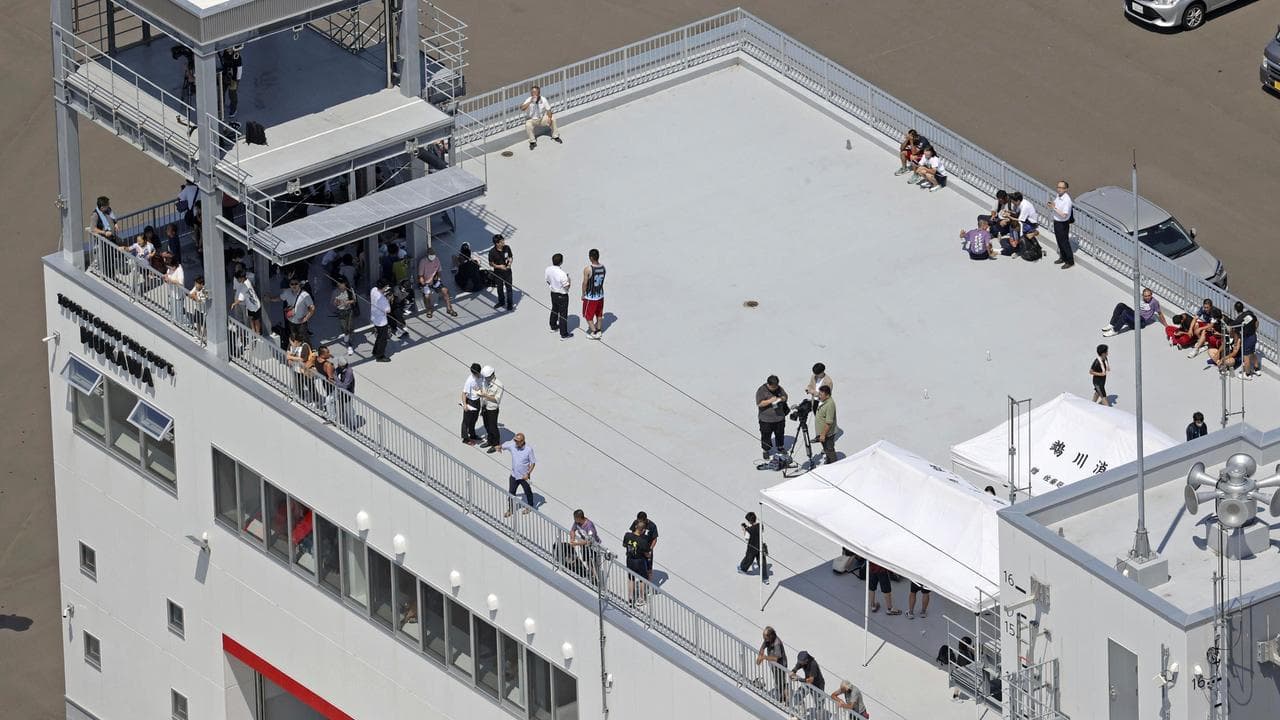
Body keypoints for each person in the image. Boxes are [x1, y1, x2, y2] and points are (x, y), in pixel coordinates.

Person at [1102, 287, 1168, 336]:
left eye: (1149, 295)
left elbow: (1160, 313)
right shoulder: (1141, 299)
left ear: (1151, 295)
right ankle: (1112, 324)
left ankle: (1115, 330)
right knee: (1120, 305)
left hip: (1141, 322)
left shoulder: (1154, 302)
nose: (1147, 297)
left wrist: (1166, 325)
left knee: (1125, 313)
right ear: (1143, 296)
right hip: (1136, 316)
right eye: (1145, 296)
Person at [499, 432, 537, 517]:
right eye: (515, 440)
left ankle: (530, 506)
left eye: (518, 441)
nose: (516, 442)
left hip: (524, 476)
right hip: (514, 475)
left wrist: (528, 473)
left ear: (522, 441)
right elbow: (504, 446)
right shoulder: (513, 445)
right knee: (511, 493)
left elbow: (533, 463)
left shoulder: (528, 449)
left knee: (527, 492)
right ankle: (511, 509)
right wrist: (499, 447)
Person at [417, 247, 458, 319]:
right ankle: (429, 310)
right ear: (427, 254)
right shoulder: (423, 262)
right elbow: (420, 276)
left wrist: (438, 280)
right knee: (427, 295)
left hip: (435, 281)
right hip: (425, 282)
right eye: (431, 254)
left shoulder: (437, 259)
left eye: (433, 254)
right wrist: (424, 285)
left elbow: (439, 271)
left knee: (445, 290)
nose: (432, 256)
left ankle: (449, 308)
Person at [756, 375, 788, 460]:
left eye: (776, 386)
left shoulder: (779, 388)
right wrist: (770, 401)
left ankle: (780, 447)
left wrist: (781, 399)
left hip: (779, 418)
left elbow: (785, 396)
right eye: (773, 387)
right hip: (766, 419)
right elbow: (759, 403)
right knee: (766, 435)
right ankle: (766, 450)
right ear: (768, 384)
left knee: (780, 433)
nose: (775, 388)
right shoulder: (761, 390)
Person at [521, 85, 562, 150]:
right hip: (532, 119)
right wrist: (530, 102)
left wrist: (549, 118)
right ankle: (532, 142)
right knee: (528, 125)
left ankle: (555, 136)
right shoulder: (529, 99)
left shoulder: (543, 99)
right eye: (532, 92)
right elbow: (522, 108)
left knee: (553, 119)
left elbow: (548, 110)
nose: (533, 94)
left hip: (542, 119)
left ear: (538, 93)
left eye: (535, 92)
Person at [622, 519, 652, 606]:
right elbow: (647, 554)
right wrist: (649, 556)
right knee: (642, 579)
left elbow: (624, 545)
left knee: (631, 579)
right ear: (643, 530)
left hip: (630, 560)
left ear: (635, 527)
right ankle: (641, 598)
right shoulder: (643, 541)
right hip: (639, 561)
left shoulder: (627, 535)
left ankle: (630, 599)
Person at [1047, 180, 1075, 268]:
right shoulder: (1058, 196)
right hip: (1057, 222)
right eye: (1058, 187)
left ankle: (1070, 261)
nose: (1059, 189)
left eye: (1061, 188)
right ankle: (1063, 257)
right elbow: (1056, 204)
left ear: (1066, 189)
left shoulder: (1067, 200)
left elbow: (1064, 214)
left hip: (1062, 224)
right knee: (1059, 241)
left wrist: (1054, 208)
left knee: (1064, 242)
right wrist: (1052, 204)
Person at [545, 253, 572, 339]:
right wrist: (569, 280)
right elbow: (567, 286)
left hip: (553, 293)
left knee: (554, 309)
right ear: (561, 262)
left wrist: (553, 286)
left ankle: (553, 326)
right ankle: (563, 334)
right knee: (563, 314)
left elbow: (548, 280)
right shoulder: (562, 274)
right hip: (562, 295)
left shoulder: (548, 269)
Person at [581, 248, 606, 339]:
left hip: (591, 297)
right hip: (600, 295)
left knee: (587, 315)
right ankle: (599, 330)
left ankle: (595, 332)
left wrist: (583, 294)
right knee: (599, 314)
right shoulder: (603, 268)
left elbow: (585, 283)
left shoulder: (588, 269)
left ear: (591, 257)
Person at [757, 627, 788, 701]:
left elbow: (776, 658)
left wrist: (764, 657)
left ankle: (786, 698)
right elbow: (762, 648)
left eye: (765, 637)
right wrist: (759, 657)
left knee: (781, 682)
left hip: (781, 665)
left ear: (770, 636)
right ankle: (782, 694)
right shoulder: (767, 640)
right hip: (774, 664)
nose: (764, 639)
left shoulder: (777, 643)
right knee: (777, 680)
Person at [478, 365, 504, 451]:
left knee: (493, 427)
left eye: (487, 377)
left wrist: (485, 395)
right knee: (487, 425)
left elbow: (497, 399)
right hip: (485, 406)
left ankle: (495, 443)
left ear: (492, 375)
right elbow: (483, 390)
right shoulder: (485, 381)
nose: (486, 379)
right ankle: (489, 440)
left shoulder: (499, 385)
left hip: (492, 409)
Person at [230, 268, 263, 335]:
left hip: (255, 305)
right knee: (251, 319)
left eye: (238, 279)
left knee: (256, 320)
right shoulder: (247, 281)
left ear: (241, 278)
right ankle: (254, 333)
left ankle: (258, 333)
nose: (237, 280)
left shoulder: (245, 286)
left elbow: (240, 299)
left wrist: (233, 304)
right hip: (250, 306)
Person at [1233, 301, 1260, 378]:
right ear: (1243, 307)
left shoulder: (1237, 321)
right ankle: (1257, 369)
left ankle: (1247, 374)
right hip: (1253, 336)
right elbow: (1257, 322)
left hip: (1247, 339)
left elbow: (1236, 334)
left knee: (1246, 356)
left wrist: (1235, 344)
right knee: (1252, 353)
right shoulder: (1249, 313)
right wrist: (1254, 330)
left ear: (1235, 309)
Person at [488, 235, 514, 311]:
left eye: (503, 240)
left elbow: (510, 257)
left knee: (509, 288)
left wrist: (509, 264)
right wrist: (499, 266)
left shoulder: (507, 248)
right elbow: (491, 263)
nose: (503, 242)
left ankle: (509, 304)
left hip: (508, 272)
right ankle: (501, 302)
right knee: (500, 288)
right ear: (497, 243)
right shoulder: (492, 252)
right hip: (498, 273)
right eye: (501, 241)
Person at [332, 277, 357, 356]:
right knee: (344, 327)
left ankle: (350, 345)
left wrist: (348, 302)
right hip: (341, 312)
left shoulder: (350, 290)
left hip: (349, 311)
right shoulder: (335, 292)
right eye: (338, 284)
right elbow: (334, 304)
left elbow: (354, 300)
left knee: (350, 327)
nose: (339, 285)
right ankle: (346, 334)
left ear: (345, 283)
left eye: (341, 283)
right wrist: (336, 302)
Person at [460, 363, 484, 445]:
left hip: (477, 400)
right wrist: (465, 405)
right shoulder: (469, 381)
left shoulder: (481, 376)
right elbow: (463, 393)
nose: (479, 374)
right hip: (470, 401)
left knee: (474, 419)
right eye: (477, 373)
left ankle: (472, 434)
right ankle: (465, 438)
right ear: (474, 373)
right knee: (466, 421)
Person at [370, 279, 392, 363]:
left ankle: (375, 351)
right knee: (383, 339)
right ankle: (380, 356)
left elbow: (379, 293)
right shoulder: (383, 299)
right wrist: (388, 299)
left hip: (374, 318)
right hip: (381, 321)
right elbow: (388, 310)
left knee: (379, 337)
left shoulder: (373, 290)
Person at [814, 385, 838, 465]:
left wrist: (823, 434)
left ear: (827, 395)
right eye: (819, 394)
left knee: (829, 450)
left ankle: (834, 466)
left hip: (828, 433)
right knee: (827, 450)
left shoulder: (830, 404)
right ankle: (829, 463)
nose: (819, 396)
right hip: (823, 433)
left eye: (821, 394)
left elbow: (829, 422)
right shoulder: (825, 401)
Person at [219, 46, 242, 118]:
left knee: (232, 94)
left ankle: (233, 108)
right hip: (224, 75)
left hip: (233, 78)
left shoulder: (237, 56)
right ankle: (220, 107)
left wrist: (237, 80)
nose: (227, 49)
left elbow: (239, 69)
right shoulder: (225, 53)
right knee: (221, 92)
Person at [635, 511, 658, 580]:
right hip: (638, 549)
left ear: (645, 519)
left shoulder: (652, 526)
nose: (639, 522)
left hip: (647, 550)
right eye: (638, 521)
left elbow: (655, 539)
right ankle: (641, 583)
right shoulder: (636, 522)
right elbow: (633, 534)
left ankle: (649, 585)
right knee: (639, 567)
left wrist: (650, 549)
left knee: (649, 569)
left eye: (640, 521)